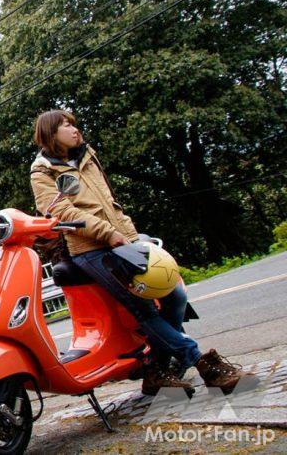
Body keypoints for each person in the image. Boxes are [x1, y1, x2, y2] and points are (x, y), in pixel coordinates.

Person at [29, 109, 250, 395]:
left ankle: (158, 368)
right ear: (50, 133)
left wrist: (127, 232)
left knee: (174, 292)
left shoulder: (87, 155)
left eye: (73, 123)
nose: (74, 129)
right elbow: (60, 211)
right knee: (141, 308)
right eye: (65, 125)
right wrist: (108, 233)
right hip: (92, 249)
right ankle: (202, 363)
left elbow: (109, 199)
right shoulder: (42, 171)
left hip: (125, 239)